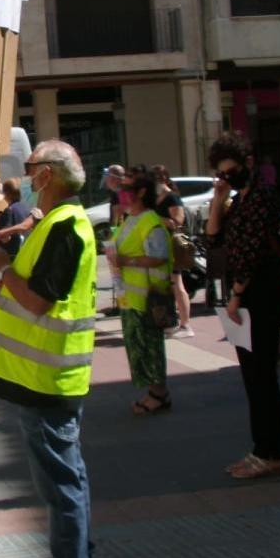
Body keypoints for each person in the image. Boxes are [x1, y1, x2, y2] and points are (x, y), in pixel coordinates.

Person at [0, 140, 97, 558]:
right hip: (44, 375)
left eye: (31, 168)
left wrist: (2, 269)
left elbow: (39, 300)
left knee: (59, 484)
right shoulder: (55, 223)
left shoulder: (65, 226)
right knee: (68, 476)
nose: (27, 176)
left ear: (48, 175)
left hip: (46, 380)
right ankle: (79, 551)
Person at [206, 132, 280, 480]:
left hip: (262, 293)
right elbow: (214, 240)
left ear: (248, 164)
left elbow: (253, 253)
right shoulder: (239, 200)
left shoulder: (263, 199)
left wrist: (237, 294)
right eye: (222, 174)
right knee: (252, 377)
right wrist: (217, 201)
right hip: (246, 295)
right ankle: (261, 449)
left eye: (231, 172)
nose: (227, 179)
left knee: (262, 376)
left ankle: (269, 452)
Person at [111, 166, 174, 415]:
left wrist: (127, 261)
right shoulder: (130, 219)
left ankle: (159, 394)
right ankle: (152, 391)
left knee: (150, 347)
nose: (121, 192)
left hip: (148, 298)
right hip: (131, 297)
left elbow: (158, 256)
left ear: (142, 191)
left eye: (127, 188)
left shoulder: (150, 221)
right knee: (138, 347)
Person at [152, 165, 194, 339]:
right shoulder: (156, 198)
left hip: (171, 245)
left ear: (162, 179)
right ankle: (171, 321)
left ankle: (186, 325)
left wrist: (156, 218)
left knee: (177, 283)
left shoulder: (172, 198)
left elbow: (177, 221)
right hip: (159, 245)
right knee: (168, 285)